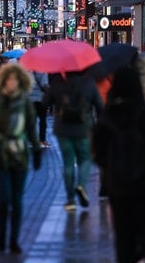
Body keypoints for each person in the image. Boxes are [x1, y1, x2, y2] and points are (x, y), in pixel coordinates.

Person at [92, 67, 145, 263]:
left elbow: (98, 152)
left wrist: (110, 168)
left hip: (119, 184)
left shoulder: (108, 116)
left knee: (123, 230)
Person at [0, 63, 42, 254]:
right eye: (8, 80)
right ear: (3, 81)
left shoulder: (25, 102)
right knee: (4, 198)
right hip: (0, 154)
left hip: (19, 155)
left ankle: (14, 239)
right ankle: (2, 235)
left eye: (15, 80)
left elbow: (30, 129)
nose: (11, 83)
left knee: (17, 200)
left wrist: (36, 150)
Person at [44, 72, 103, 211]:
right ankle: (81, 185)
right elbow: (100, 106)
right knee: (86, 159)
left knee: (68, 162)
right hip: (84, 128)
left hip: (63, 128)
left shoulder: (58, 82)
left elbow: (45, 102)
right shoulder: (89, 82)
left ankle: (70, 199)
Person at [28, 71, 50, 148]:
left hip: (30, 99)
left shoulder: (27, 70)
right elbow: (44, 84)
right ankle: (42, 140)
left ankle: (31, 140)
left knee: (32, 121)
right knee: (43, 121)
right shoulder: (43, 70)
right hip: (41, 99)